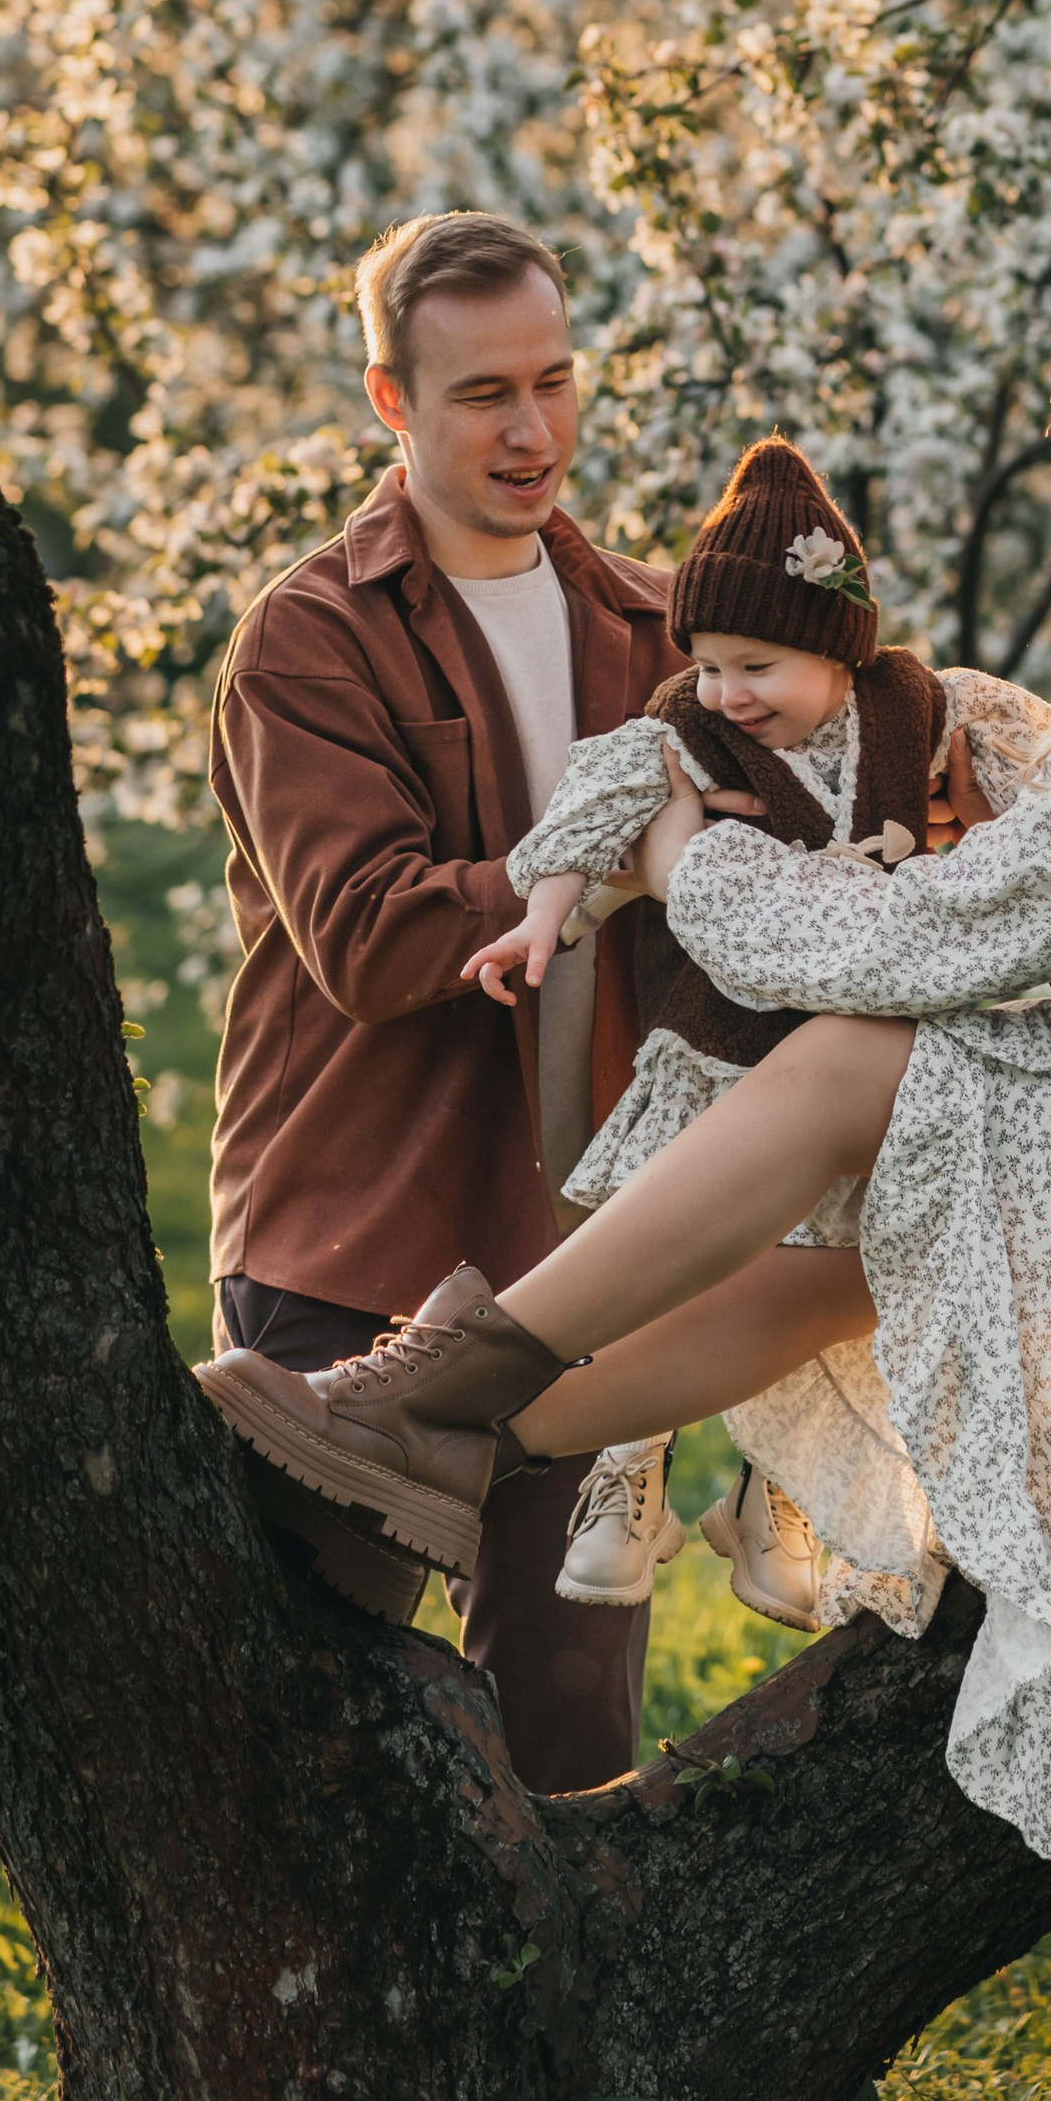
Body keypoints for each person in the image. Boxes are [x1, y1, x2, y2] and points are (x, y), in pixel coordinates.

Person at [196, 300, 1051, 1907]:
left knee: (859, 1062)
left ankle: (425, 1395)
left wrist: (684, 852)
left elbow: (897, 946)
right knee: (839, 1265)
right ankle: (476, 1440)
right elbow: (1029, 893)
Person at [202, 208, 683, 1792]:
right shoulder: (309, 635)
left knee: (570, 1731)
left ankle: (582, 2042)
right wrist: (604, 863)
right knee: (309, 1735)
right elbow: (363, 931)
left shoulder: (660, 630)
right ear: (390, 402)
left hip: (589, 1254)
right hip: (356, 1237)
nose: (533, 429)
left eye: (554, 379)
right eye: (483, 394)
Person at [455, 432, 1036, 1629]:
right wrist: (544, 918)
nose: (729, 692)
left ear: (838, 647)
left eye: (756, 663)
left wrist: (995, 836)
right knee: (674, 1255)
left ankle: (780, 1496)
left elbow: (1039, 798)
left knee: (830, 1272)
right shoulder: (692, 731)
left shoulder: (916, 710)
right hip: (723, 1051)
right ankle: (628, 1465)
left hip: (862, 1062)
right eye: (710, 662)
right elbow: (597, 797)